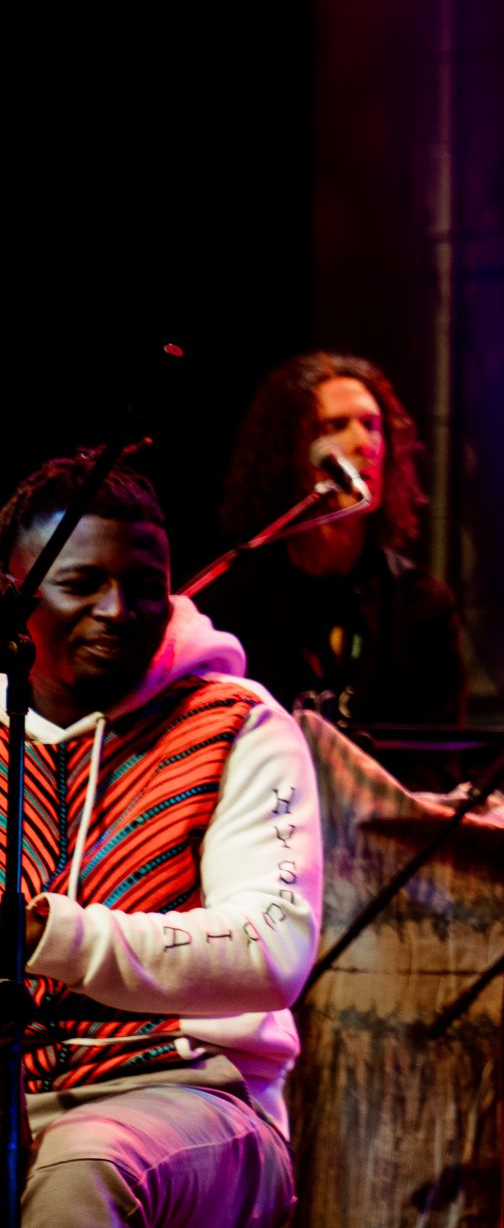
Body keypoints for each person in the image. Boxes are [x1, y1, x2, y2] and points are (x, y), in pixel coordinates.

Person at [2, 455, 321, 1227]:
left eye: (146, 585)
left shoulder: (237, 722)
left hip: (197, 1091)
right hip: (22, 1089)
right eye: (81, 584)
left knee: (84, 1169)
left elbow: (272, 949)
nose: (118, 609)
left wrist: (49, 931)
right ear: (14, 595)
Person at [195, 351, 466, 727]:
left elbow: (441, 758)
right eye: (335, 426)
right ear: (288, 450)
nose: (363, 443)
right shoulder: (235, 602)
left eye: (371, 424)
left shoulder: (419, 604)